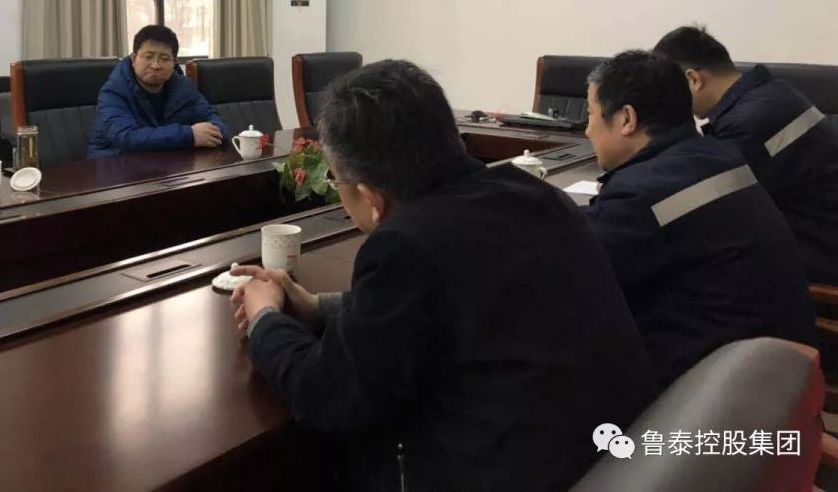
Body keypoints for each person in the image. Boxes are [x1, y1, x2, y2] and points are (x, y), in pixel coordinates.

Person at [230, 60, 655, 492]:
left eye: (338, 183)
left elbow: (328, 394)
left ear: (371, 197)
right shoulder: (536, 195)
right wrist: (316, 307)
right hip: (608, 458)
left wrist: (265, 316)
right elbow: (446, 307)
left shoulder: (406, 244)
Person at [582, 50, 816, 387]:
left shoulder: (640, 196)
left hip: (719, 385)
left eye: (590, 114)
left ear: (627, 119)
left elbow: (573, 271)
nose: (587, 130)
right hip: (776, 360)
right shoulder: (718, 154)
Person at [655, 25, 838, 284]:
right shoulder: (776, 93)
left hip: (819, 254)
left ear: (694, 80)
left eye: (668, 91)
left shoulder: (748, 124)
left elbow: (706, 206)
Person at [87, 24, 228, 157]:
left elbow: (213, 120)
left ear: (174, 62)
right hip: (114, 165)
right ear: (134, 59)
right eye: (148, 57)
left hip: (167, 164)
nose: (155, 65)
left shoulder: (183, 87)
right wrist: (189, 135)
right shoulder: (113, 91)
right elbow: (127, 138)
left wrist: (215, 131)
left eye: (164, 59)